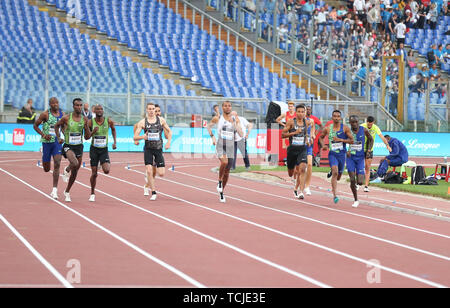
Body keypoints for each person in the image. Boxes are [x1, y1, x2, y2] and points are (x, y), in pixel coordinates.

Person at [54, 98, 92, 202]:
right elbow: (56, 126)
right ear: (73, 106)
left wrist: (89, 130)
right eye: (77, 105)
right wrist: (58, 137)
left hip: (79, 146)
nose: (79, 107)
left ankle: (67, 191)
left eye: (80, 105)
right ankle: (67, 169)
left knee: (75, 172)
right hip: (68, 145)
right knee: (74, 162)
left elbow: (87, 137)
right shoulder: (66, 118)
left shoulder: (84, 119)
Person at [134, 103, 172, 201]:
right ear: (147, 110)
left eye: (153, 109)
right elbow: (135, 136)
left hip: (158, 149)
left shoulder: (161, 120)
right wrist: (141, 137)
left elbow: (169, 131)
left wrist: (168, 143)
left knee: (161, 173)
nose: (151, 111)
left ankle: (147, 185)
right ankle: (153, 192)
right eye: (149, 109)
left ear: (155, 110)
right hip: (148, 149)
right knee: (150, 170)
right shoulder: (143, 122)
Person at [207, 101, 243, 203]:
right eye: (225, 106)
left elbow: (241, 134)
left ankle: (222, 191)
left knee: (227, 172)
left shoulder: (235, 119)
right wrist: (212, 137)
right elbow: (208, 126)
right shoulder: (218, 118)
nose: (228, 108)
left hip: (231, 146)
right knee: (224, 162)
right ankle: (219, 181)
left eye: (229, 106)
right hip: (220, 145)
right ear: (222, 108)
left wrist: (235, 123)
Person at [319, 110, 354, 204]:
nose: (336, 118)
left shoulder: (345, 128)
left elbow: (352, 140)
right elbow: (320, 137)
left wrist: (341, 140)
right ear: (332, 117)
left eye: (338, 116)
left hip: (342, 155)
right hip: (332, 154)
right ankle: (335, 195)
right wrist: (323, 146)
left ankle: (333, 171)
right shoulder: (327, 129)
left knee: (338, 177)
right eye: (334, 116)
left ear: (340, 118)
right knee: (335, 172)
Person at [33, 97, 65, 199]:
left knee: (57, 163)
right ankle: (44, 156)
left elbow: (63, 127)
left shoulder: (62, 114)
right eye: (53, 103)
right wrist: (43, 135)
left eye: (57, 102)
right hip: (46, 142)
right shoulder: (45, 114)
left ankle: (54, 190)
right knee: (46, 169)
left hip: (57, 142)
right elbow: (35, 126)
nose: (56, 104)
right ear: (50, 104)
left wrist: (64, 137)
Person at [282, 104, 314, 199]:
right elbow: (283, 135)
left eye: (302, 112)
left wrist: (308, 140)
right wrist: (294, 133)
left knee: (303, 169)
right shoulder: (291, 122)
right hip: (292, 150)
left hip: (302, 149)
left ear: (305, 113)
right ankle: (296, 186)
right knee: (291, 173)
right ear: (296, 113)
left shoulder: (307, 122)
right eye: (299, 112)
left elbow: (306, 133)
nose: (301, 114)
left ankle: (299, 190)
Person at [85, 105, 117, 202]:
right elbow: (86, 137)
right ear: (94, 111)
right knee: (94, 174)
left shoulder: (108, 121)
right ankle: (92, 193)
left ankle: (103, 163)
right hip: (94, 149)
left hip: (104, 149)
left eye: (101, 109)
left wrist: (114, 142)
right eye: (98, 109)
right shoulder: (90, 122)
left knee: (106, 170)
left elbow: (113, 129)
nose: (100, 111)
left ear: (103, 111)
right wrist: (92, 132)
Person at [347, 115, 373, 208]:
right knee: (352, 179)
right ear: (350, 123)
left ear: (358, 122)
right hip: (350, 158)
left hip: (360, 158)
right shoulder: (347, 131)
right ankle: (356, 199)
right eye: (352, 122)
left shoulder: (364, 130)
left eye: (356, 122)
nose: (354, 124)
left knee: (360, 181)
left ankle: (355, 185)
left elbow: (371, 139)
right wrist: (346, 150)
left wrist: (369, 150)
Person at [361, 116, 392, 192]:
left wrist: (387, 145)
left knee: (367, 167)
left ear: (373, 123)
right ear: (366, 122)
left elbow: (382, 137)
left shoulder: (375, 128)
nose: (370, 126)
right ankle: (357, 183)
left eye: (371, 125)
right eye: (368, 125)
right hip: (360, 149)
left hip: (369, 150)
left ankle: (366, 186)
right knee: (358, 166)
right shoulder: (362, 126)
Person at [304, 105, 322, 195]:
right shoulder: (297, 120)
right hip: (300, 145)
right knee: (300, 168)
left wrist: (313, 136)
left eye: (309, 109)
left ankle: (307, 186)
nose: (307, 111)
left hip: (309, 145)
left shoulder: (312, 120)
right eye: (306, 110)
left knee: (310, 165)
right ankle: (298, 182)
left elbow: (315, 128)